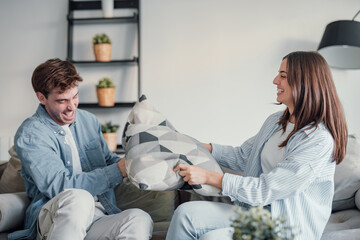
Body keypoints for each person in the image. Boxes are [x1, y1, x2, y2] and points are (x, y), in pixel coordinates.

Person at [166, 51, 348, 240]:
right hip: (257, 214)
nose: (275, 80)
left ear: (305, 82)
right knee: (185, 214)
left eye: (283, 76)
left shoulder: (317, 140)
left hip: (286, 227)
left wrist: (209, 177)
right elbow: (244, 156)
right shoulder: (276, 121)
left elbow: (266, 189)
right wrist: (198, 146)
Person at [9, 59, 153, 240]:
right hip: (55, 218)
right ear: (41, 97)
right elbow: (60, 186)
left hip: (98, 215)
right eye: (62, 101)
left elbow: (108, 159)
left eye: (75, 96)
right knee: (79, 199)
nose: (71, 107)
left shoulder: (88, 121)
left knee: (139, 219)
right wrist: (118, 170)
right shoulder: (31, 134)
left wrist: (136, 162)